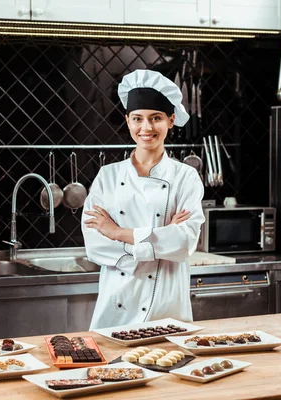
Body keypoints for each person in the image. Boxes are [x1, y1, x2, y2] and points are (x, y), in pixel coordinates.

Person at [82, 69, 205, 330]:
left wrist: (117, 232)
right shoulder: (108, 176)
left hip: (166, 305)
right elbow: (95, 245)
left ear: (170, 121)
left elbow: (184, 243)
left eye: (156, 118)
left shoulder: (186, 177)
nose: (146, 128)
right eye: (138, 118)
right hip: (116, 305)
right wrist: (162, 238)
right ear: (128, 121)